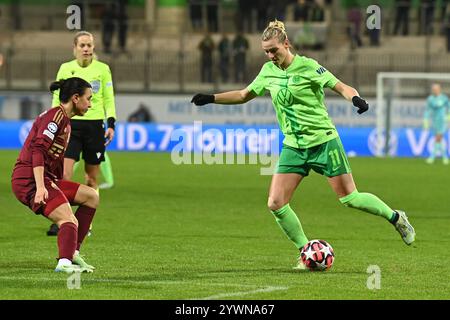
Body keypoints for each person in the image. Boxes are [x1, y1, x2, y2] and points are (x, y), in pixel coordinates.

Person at [191, 20, 416, 270]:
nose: (270, 55)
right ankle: (306, 251)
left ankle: (397, 218)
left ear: (286, 44)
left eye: (274, 50)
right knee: (275, 203)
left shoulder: (309, 66)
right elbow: (245, 95)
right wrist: (211, 98)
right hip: (293, 147)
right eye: (266, 51)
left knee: (350, 198)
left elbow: (340, 86)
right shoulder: (268, 71)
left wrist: (356, 99)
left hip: (324, 142)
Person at [11, 77, 98, 273]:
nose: (91, 104)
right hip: (30, 180)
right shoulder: (55, 118)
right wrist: (41, 187)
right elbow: (38, 150)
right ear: (76, 98)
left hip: (46, 178)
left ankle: (73, 253)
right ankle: (64, 263)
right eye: (89, 98)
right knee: (68, 220)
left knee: (91, 196)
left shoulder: (64, 120)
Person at [47, 31, 117, 236]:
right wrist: (56, 120)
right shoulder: (66, 69)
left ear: (94, 48)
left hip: (95, 127)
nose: (86, 49)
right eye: (82, 45)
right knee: (65, 175)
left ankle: (87, 223)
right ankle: (62, 219)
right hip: (71, 126)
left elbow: (108, 98)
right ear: (75, 48)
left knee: (91, 179)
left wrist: (111, 122)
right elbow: (57, 98)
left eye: (90, 45)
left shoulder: (103, 69)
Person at [423, 83, 450, 164]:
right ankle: (444, 157)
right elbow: (427, 110)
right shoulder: (430, 99)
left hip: (442, 121)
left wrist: (448, 116)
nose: (435, 90)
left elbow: (449, 107)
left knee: (438, 137)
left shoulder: (444, 98)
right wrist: (426, 120)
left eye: (436, 89)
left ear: (439, 89)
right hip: (434, 121)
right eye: (433, 89)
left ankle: (433, 156)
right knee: (438, 139)